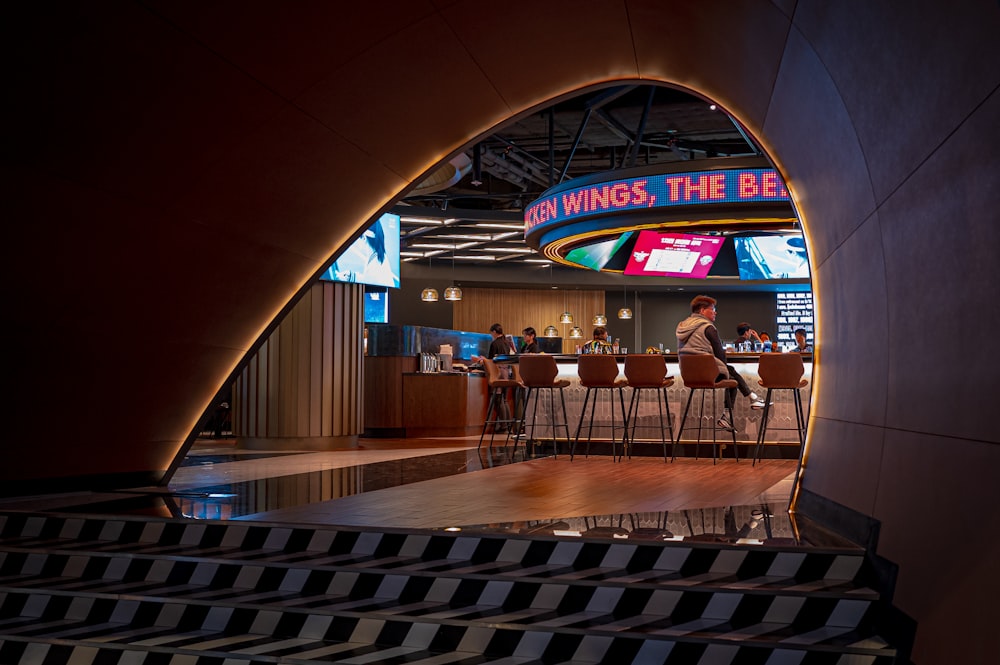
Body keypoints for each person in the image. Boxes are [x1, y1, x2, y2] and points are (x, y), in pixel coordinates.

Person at [676, 295, 766, 431]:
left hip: (688, 374)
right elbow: (720, 354)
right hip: (707, 373)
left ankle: (748, 402)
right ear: (702, 311)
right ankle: (744, 404)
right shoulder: (708, 327)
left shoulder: (682, 327)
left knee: (730, 373)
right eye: (713, 309)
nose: (715, 312)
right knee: (730, 375)